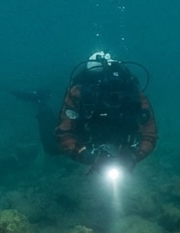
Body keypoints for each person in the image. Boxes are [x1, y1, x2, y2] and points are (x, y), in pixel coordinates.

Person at [13, 52, 157, 174]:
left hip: (117, 134)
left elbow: (150, 134)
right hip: (85, 132)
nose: (112, 96)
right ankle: (41, 103)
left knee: (124, 145)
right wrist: (87, 156)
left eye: (117, 88)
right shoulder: (79, 93)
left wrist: (134, 156)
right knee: (51, 148)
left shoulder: (135, 95)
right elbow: (64, 134)